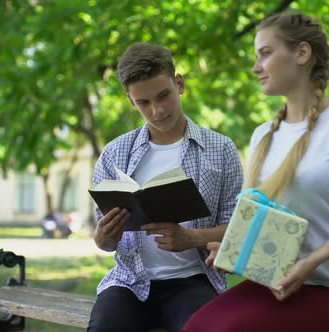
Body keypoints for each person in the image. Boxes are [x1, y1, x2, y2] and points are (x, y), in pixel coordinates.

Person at [182, 11, 329, 332]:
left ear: (302, 53)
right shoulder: (264, 135)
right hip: (278, 284)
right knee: (196, 326)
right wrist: (237, 248)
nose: (256, 67)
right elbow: (266, 219)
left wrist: (310, 263)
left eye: (265, 53)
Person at [88, 42, 243, 332]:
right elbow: (106, 242)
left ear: (179, 84)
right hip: (129, 282)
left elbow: (238, 226)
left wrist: (192, 237)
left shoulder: (220, 149)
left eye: (163, 96)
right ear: (130, 101)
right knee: (104, 327)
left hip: (192, 281)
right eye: (143, 103)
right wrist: (103, 238)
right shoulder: (114, 153)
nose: (157, 111)